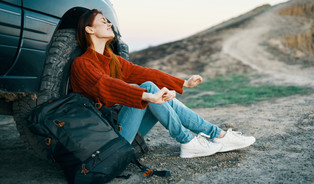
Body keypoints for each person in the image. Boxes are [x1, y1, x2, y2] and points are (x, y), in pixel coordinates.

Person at [70, 9, 255, 158]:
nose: (109, 23)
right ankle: (190, 141)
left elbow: (144, 72)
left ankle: (217, 135)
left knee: (151, 84)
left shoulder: (113, 60)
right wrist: (148, 95)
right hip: (105, 141)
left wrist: (183, 83)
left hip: (123, 129)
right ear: (89, 29)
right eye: (103, 21)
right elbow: (106, 85)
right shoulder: (82, 64)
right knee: (149, 88)